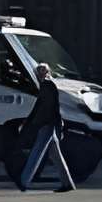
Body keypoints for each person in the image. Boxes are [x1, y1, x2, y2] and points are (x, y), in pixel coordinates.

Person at [15, 63, 73, 192]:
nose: (41, 73)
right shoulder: (46, 85)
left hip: (47, 124)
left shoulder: (47, 85)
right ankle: (67, 184)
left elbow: (47, 108)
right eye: (39, 71)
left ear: (48, 72)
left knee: (36, 153)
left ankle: (24, 181)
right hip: (50, 123)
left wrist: (36, 123)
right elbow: (42, 106)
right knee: (56, 157)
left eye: (43, 71)